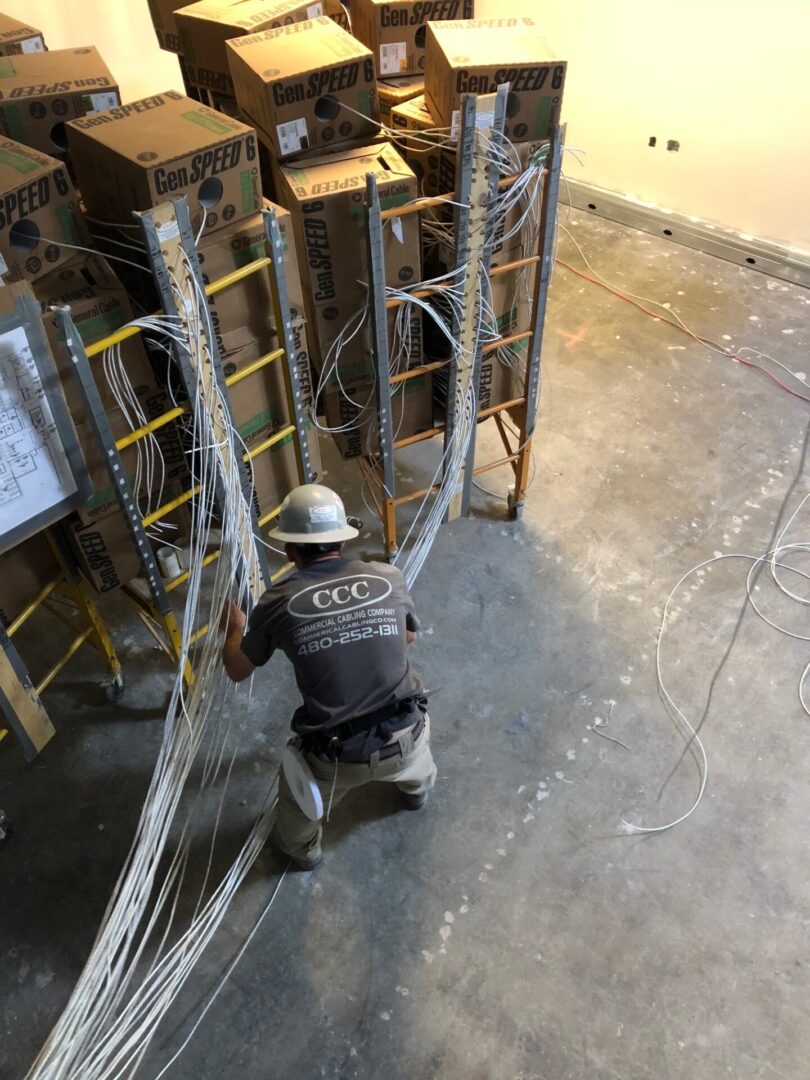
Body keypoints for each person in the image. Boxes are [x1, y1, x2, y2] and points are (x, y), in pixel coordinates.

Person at [220, 482, 436, 870]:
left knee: (297, 802)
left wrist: (235, 628)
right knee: (418, 761)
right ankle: (416, 789)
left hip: (337, 761)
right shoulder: (388, 576)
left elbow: (237, 669)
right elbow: (408, 636)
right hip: (408, 735)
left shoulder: (277, 602)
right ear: (341, 539)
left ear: (289, 549)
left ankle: (302, 852)